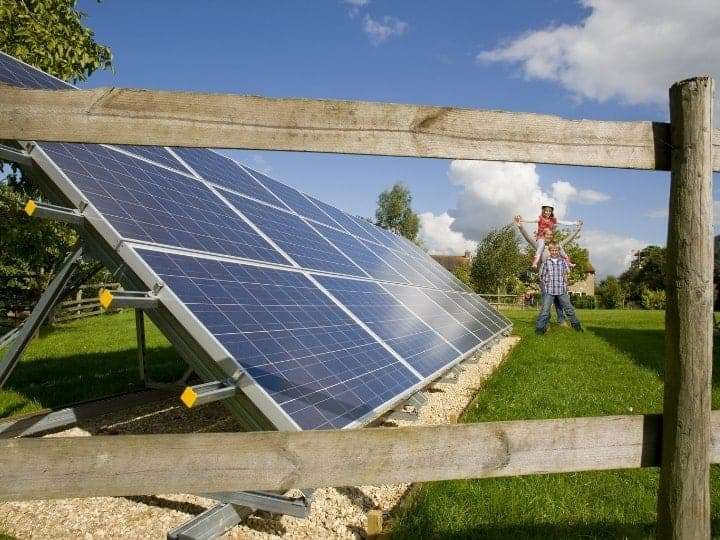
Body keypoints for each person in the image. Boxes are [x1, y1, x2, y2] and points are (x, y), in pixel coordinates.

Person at [515, 215, 583, 325]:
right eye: (547, 234)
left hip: (558, 280)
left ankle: (561, 320)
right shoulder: (539, 246)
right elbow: (528, 238)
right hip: (545, 281)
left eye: (550, 235)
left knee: (559, 301)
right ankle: (545, 323)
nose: (548, 236)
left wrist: (577, 230)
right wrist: (520, 227)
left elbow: (569, 239)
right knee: (546, 301)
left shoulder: (557, 246)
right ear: (543, 235)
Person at [535, 241, 583, 335]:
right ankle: (540, 329)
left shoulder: (563, 262)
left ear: (558, 251)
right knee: (545, 310)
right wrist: (546, 284)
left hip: (561, 290)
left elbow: (566, 274)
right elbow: (541, 276)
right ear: (549, 251)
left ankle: (576, 326)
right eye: (552, 250)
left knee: (569, 308)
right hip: (549, 290)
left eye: (556, 250)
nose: (554, 252)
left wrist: (566, 284)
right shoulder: (546, 263)